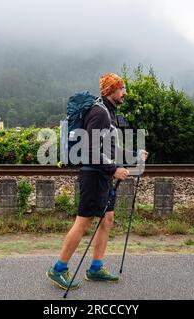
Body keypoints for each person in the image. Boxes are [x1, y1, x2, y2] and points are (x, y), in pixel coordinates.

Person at [47, 73, 147, 290]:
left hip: (102, 175)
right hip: (93, 176)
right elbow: (90, 150)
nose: (125, 92)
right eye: (122, 88)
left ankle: (95, 268)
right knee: (83, 222)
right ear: (111, 90)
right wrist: (114, 170)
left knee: (107, 219)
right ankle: (58, 269)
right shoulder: (100, 113)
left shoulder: (108, 113)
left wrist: (133, 155)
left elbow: (109, 149)